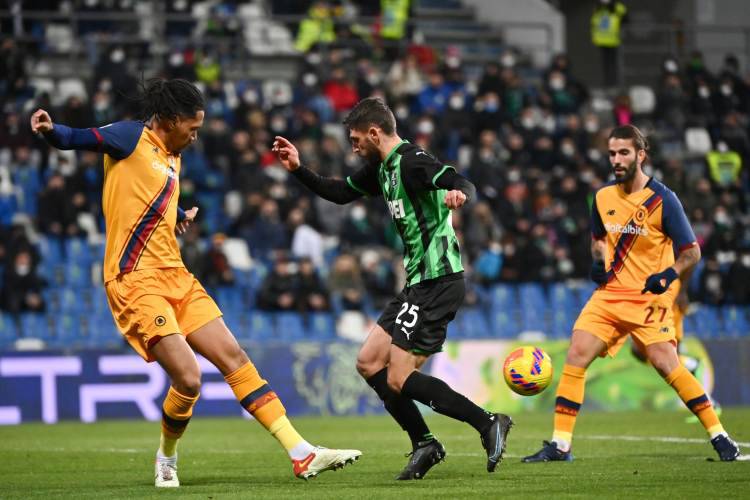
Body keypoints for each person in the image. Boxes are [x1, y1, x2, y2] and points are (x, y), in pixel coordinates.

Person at [31, 78, 361, 488]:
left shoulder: (173, 157)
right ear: (169, 120)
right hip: (135, 279)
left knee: (234, 357)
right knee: (188, 378)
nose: (196, 135)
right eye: (193, 127)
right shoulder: (131, 136)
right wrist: (51, 131)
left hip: (176, 275)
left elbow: (147, 205)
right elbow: (81, 138)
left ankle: (301, 453)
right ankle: (166, 457)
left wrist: (179, 216)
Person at [273, 97, 513, 480]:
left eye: (355, 139)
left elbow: (460, 180)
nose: (352, 146)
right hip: (416, 284)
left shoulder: (413, 161)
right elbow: (338, 192)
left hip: (439, 281)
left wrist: (459, 194)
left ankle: (487, 422)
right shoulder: (380, 169)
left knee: (400, 377)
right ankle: (425, 444)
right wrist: (299, 169)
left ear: (373, 133)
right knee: (368, 362)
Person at [522, 124, 741, 463]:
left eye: (624, 152)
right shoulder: (601, 197)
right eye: (612, 153)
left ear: (641, 155)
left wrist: (668, 276)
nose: (616, 159)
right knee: (577, 353)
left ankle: (720, 435)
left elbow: (692, 252)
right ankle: (560, 445)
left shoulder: (663, 200)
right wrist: (597, 262)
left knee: (666, 363)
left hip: (647, 299)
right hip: (609, 295)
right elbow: (598, 239)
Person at [591, 0, 627, 88]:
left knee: (614, 63)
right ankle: (606, 83)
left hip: (613, 40)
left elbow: (625, 16)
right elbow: (594, 22)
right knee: (605, 64)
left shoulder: (616, 7)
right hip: (601, 40)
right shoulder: (598, 8)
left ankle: (614, 83)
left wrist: (612, 5)